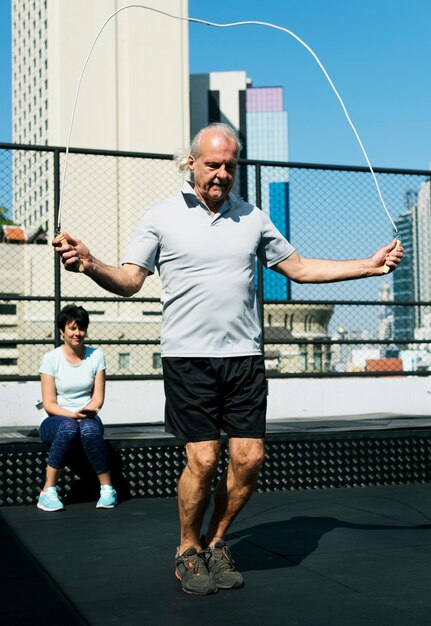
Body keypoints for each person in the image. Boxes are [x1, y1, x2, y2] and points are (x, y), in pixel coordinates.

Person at [53, 123, 403, 594]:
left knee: (249, 457)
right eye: (213, 164)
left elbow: (298, 269)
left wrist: (368, 264)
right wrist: (91, 263)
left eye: (230, 166)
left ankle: (217, 541)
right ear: (191, 162)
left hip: (244, 360)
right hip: (188, 360)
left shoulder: (253, 218)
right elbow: (131, 279)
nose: (221, 174)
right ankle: (186, 549)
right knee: (203, 458)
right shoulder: (160, 217)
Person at [37, 304, 117, 512]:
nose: (77, 333)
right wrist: (73, 415)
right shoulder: (50, 359)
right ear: (62, 331)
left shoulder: (96, 356)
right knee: (69, 427)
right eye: (72, 328)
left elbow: (98, 399)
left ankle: (107, 489)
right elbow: (49, 404)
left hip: (88, 417)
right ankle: (48, 490)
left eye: (81, 328)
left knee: (89, 429)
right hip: (57, 420)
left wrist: (86, 413)